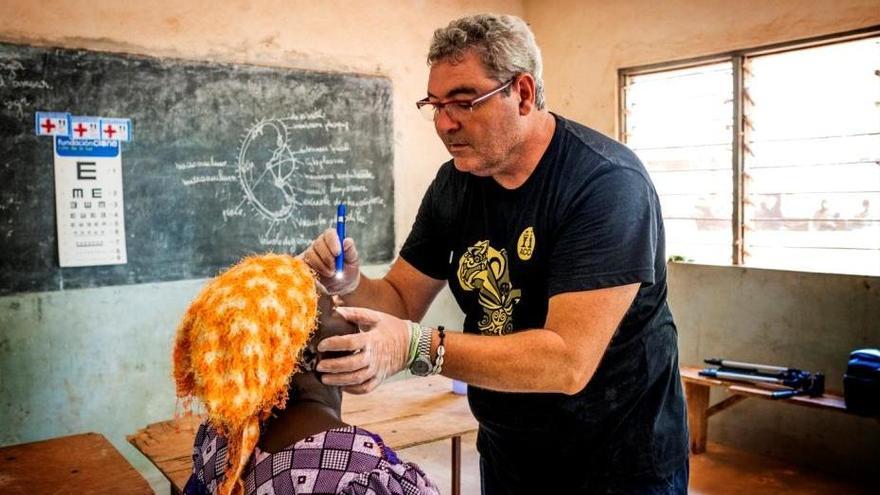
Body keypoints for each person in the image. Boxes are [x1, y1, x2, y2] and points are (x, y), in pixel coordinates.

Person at [301, 14, 688, 494]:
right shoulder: (456, 183)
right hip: (511, 449)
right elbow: (401, 299)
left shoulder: (606, 185)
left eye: (464, 102)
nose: (444, 123)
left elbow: (566, 361)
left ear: (522, 93)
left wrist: (414, 346)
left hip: (618, 461)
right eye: (435, 104)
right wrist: (350, 284)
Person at [174, 254, 439, 495]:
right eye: (333, 305)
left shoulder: (221, 439)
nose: (346, 304)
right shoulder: (359, 475)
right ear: (309, 355)